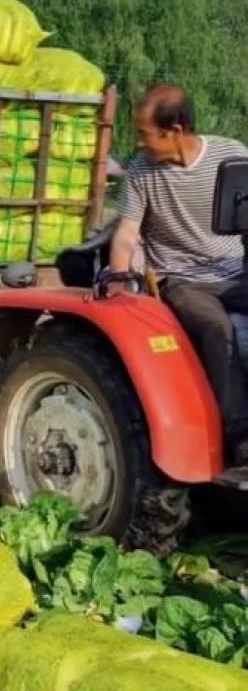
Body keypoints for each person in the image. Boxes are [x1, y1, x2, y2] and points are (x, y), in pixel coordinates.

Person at [110, 84, 248, 462]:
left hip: (236, 271)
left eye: (144, 133)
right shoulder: (141, 173)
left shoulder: (232, 156)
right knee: (217, 328)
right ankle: (239, 437)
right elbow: (125, 234)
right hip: (182, 280)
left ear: (176, 130)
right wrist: (119, 278)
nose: (138, 143)